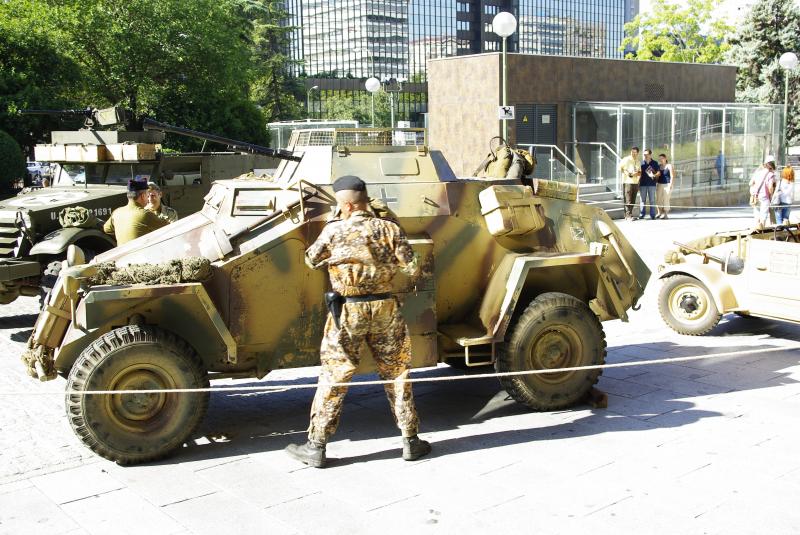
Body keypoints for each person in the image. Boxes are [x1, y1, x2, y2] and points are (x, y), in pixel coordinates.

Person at [285, 175, 430, 468]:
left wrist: (332, 224)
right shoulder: (389, 228)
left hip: (348, 311)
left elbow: (311, 260)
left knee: (335, 374)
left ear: (347, 205)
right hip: (385, 308)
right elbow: (413, 267)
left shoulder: (333, 230)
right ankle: (410, 440)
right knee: (397, 372)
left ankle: (316, 446)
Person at [103, 179, 169, 245]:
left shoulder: (117, 212)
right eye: (147, 195)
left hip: (123, 251)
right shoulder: (145, 214)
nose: (148, 198)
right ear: (143, 196)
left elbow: (106, 229)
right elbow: (168, 228)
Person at [749, 156, 777, 229]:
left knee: (757, 215)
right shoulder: (770, 175)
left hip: (756, 197)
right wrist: (772, 195)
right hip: (765, 198)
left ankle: (757, 230)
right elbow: (770, 188)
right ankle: (762, 230)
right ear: (772, 165)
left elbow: (750, 183)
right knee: (763, 216)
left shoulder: (758, 173)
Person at [619, 147, 641, 221]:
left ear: (637, 153)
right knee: (628, 199)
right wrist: (628, 174)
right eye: (632, 152)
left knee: (633, 200)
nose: (633, 153)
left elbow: (640, 172)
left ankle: (629, 214)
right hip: (627, 182)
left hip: (635, 182)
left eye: (635, 152)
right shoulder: (626, 159)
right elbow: (620, 168)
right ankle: (627, 215)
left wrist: (636, 174)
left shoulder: (638, 161)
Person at [639, 149, 660, 220]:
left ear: (650, 155)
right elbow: (639, 173)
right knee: (642, 200)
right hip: (642, 184)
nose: (645, 156)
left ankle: (652, 215)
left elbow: (658, 172)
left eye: (647, 154)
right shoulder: (641, 163)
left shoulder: (655, 163)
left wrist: (654, 175)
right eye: (644, 154)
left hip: (652, 184)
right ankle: (642, 214)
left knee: (652, 200)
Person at [656, 154, 673, 219]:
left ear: (665, 158)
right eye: (659, 159)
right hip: (659, 184)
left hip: (667, 184)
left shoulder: (669, 166)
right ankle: (659, 213)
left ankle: (665, 214)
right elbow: (656, 175)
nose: (661, 160)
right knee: (658, 199)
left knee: (666, 199)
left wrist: (671, 184)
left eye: (662, 158)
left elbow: (672, 176)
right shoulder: (658, 166)